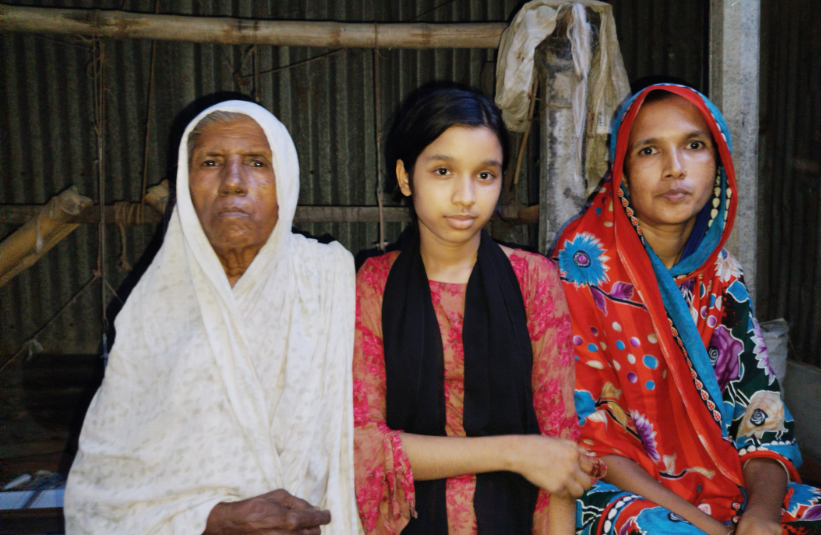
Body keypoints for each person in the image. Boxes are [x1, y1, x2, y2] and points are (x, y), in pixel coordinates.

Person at [553, 84, 821, 535]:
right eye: (648, 151)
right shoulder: (581, 266)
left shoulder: (721, 276)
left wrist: (760, 515)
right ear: (621, 169)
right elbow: (592, 441)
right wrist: (709, 528)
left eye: (694, 146)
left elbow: (761, 420)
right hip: (618, 492)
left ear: (719, 164)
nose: (674, 168)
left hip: (723, 484)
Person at [64, 100, 360, 535]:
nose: (233, 183)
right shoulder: (153, 315)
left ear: (287, 183)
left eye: (257, 162)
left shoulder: (332, 281)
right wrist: (213, 521)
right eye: (211, 163)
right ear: (186, 185)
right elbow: (98, 499)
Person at [353, 84, 601, 535]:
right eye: (443, 171)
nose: (466, 196)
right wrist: (517, 452)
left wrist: (542, 459)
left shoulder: (533, 280)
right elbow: (364, 447)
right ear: (406, 177)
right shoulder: (371, 285)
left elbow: (560, 452)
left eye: (485, 175)